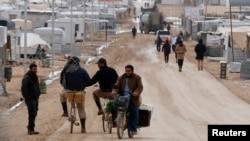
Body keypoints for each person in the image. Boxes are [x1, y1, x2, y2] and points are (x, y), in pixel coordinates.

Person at [60, 56, 90, 133]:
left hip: (68, 92)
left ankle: (65, 112)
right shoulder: (82, 70)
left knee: (61, 95)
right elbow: (88, 81)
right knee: (81, 109)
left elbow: (62, 82)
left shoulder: (66, 70)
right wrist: (83, 85)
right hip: (79, 93)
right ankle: (83, 128)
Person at [113, 64, 143, 136]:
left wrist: (136, 92)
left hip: (132, 98)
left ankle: (133, 129)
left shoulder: (137, 78)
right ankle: (118, 118)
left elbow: (140, 87)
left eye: (129, 71)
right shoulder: (121, 77)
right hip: (122, 97)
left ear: (132, 71)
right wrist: (114, 92)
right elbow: (116, 86)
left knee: (134, 111)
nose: (127, 72)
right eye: (126, 71)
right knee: (114, 104)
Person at [21, 63, 40, 135]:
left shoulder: (35, 77)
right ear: (30, 69)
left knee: (35, 113)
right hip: (31, 99)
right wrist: (28, 98)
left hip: (36, 98)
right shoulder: (27, 78)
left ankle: (31, 127)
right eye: (34, 69)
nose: (35, 70)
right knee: (32, 113)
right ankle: (30, 129)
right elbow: (24, 89)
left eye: (36, 69)